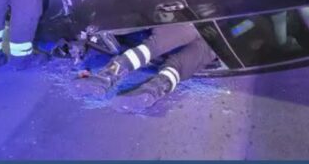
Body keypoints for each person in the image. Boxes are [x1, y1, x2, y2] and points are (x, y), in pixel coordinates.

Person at [80, 24, 218, 112]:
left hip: (191, 20)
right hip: (215, 27)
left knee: (153, 47)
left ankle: (107, 75)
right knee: (205, 47)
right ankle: (156, 87)